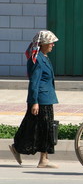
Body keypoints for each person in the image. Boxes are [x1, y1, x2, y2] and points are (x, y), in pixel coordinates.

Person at [9, 30, 59, 168]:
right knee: (44, 128)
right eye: (50, 42)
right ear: (42, 44)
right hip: (41, 99)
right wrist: (34, 102)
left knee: (35, 127)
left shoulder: (43, 57)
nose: (52, 45)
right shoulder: (37, 59)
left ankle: (18, 148)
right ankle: (43, 160)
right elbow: (34, 82)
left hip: (46, 97)